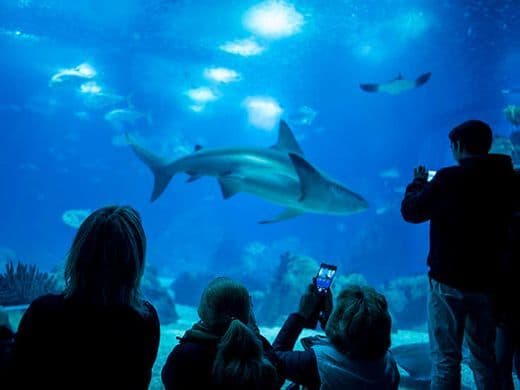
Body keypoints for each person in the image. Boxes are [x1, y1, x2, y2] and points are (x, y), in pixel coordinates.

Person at [401, 120, 518, 389]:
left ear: (457, 146)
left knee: (445, 359)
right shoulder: (509, 179)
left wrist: (418, 183)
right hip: (490, 283)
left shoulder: (447, 178)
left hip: (448, 283)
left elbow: (411, 212)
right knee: (484, 357)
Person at [8, 205, 160, 389]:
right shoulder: (145, 318)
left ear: (79, 252)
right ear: (135, 261)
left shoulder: (44, 311)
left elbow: (17, 374)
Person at [273, 283, 399, 390]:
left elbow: (271, 360)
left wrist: (300, 314)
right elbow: (359, 341)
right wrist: (331, 322)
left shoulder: (317, 362)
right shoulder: (389, 363)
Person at [161, 276, 280, 390]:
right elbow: (277, 375)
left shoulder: (185, 354)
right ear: (248, 312)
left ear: (202, 310)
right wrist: (255, 334)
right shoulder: (261, 350)